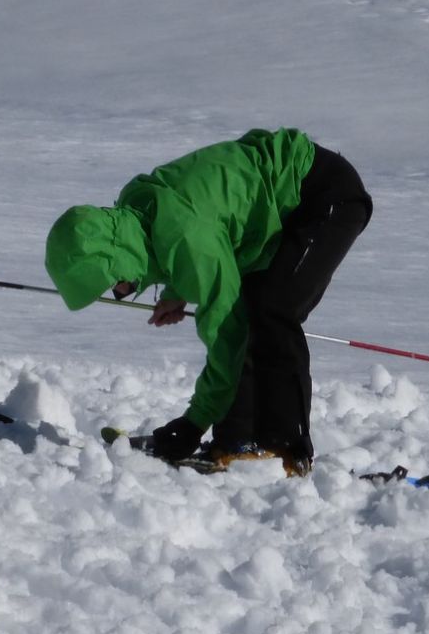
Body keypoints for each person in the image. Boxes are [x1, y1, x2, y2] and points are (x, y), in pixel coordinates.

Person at [44, 128, 371, 473]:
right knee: (252, 309)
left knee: (271, 309)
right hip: (285, 203)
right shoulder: (138, 208)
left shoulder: (188, 236)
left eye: (112, 282)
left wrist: (193, 424)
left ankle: (283, 446)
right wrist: (177, 291)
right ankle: (239, 440)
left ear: (116, 258)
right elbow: (181, 238)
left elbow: (225, 330)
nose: (120, 291)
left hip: (326, 195)